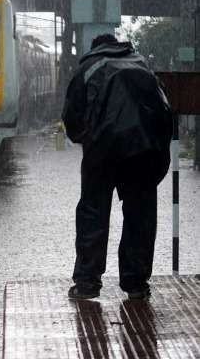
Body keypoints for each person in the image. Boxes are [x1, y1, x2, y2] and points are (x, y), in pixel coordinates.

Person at [62, 34, 172, 300]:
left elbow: (71, 116)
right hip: (143, 150)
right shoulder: (142, 64)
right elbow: (165, 111)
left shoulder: (88, 68)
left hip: (102, 149)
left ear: (95, 47)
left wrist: (86, 138)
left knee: (93, 212)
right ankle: (136, 284)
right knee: (140, 216)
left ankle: (88, 283)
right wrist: (158, 154)